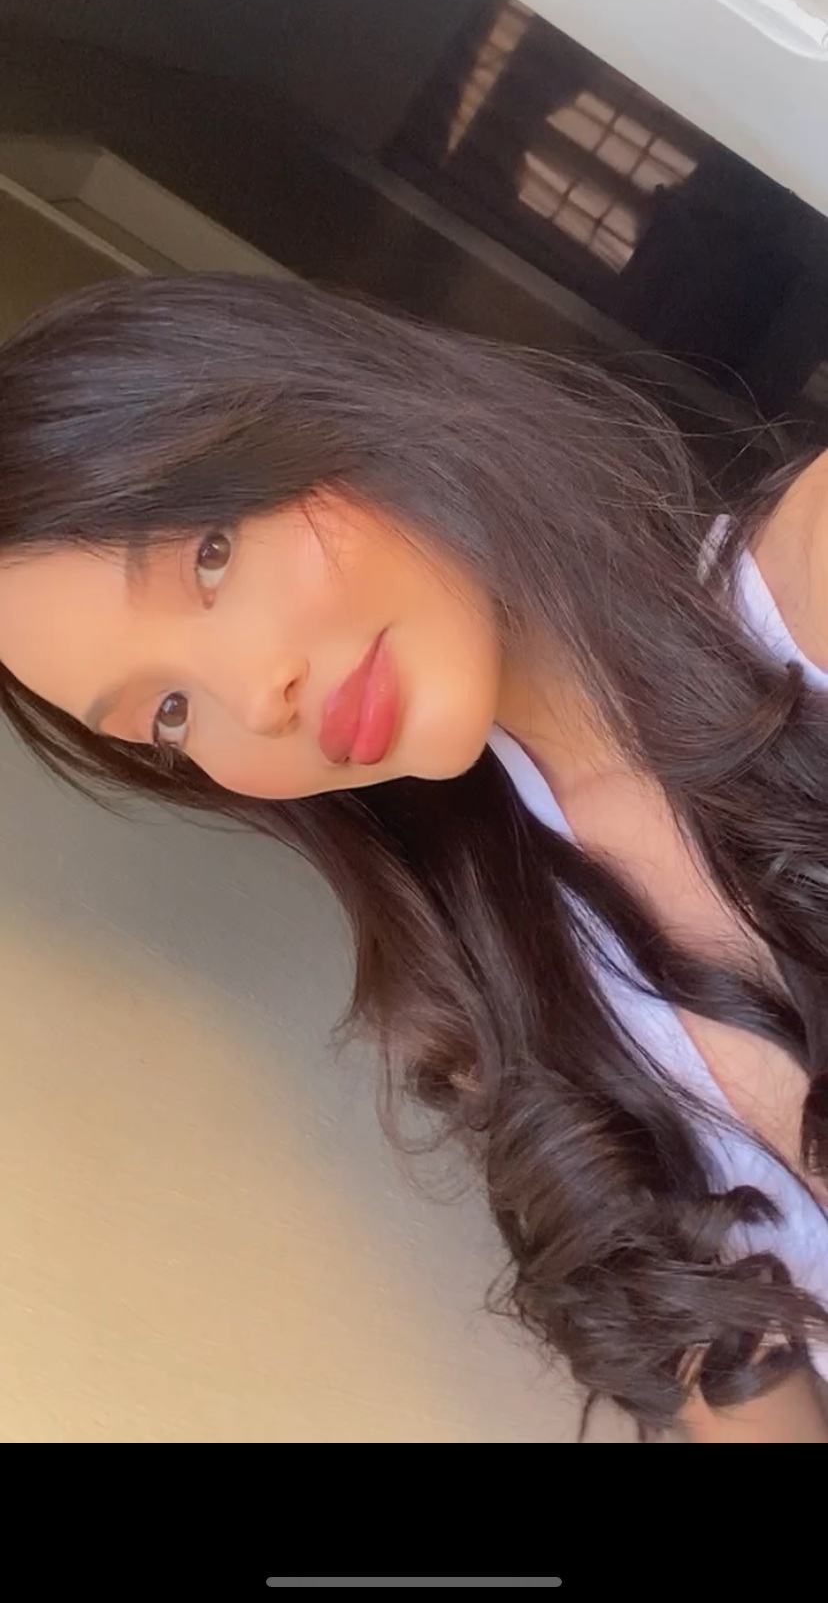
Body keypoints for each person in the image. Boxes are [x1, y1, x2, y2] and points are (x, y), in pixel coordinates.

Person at [1, 273, 827, 1446]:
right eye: (169, 712)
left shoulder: (808, 589)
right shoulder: (507, 1002)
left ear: (327, 406)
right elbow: (746, 1381)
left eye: (212, 554)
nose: (258, 693)